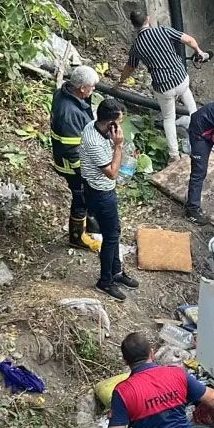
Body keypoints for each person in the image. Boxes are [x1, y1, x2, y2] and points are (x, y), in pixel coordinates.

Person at [118, 10, 209, 162]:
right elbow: (189, 40)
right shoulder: (163, 30)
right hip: (181, 79)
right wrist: (199, 52)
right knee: (192, 108)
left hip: (163, 87)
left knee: (169, 118)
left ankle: (174, 154)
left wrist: (119, 82)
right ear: (148, 19)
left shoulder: (136, 47)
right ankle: (201, 138)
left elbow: (129, 67)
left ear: (133, 26)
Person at [79, 98, 140, 301]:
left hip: (102, 190)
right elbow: (113, 173)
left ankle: (117, 271)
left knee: (114, 232)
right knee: (111, 237)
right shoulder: (95, 141)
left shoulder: (95, 126)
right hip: (100, 193)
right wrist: (119, 146)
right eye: (119, 121)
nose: (120, 126)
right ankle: (105, 281)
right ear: (110, 122)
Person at [49, 65, 102, 252]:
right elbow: (71, 148)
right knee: (81, 197)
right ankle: (76, 238)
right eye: (92, 87)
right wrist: (85, 171)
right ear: (81, 88)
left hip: (74, 159)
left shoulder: (64, 94)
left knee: (86, 195)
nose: (94, 90)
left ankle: (90, 225)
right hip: (72, 165)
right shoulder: (68, 113)